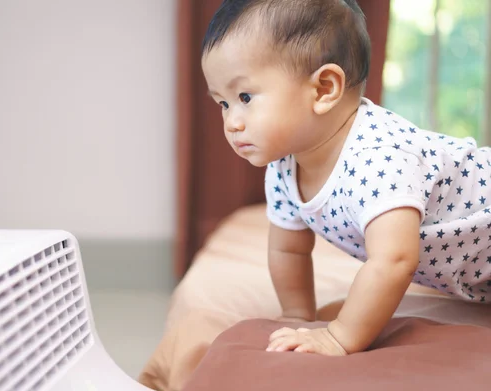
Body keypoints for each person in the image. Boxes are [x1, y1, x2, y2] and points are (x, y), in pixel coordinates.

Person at [200, 0, 491, 356]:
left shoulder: (379, 157)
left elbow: (394, 260)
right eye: (223, 104)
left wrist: (339, 336)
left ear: (324, 89)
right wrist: (298, 315)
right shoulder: (284, 165)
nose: (232, 122)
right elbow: (288, 248)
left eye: (245, 96)